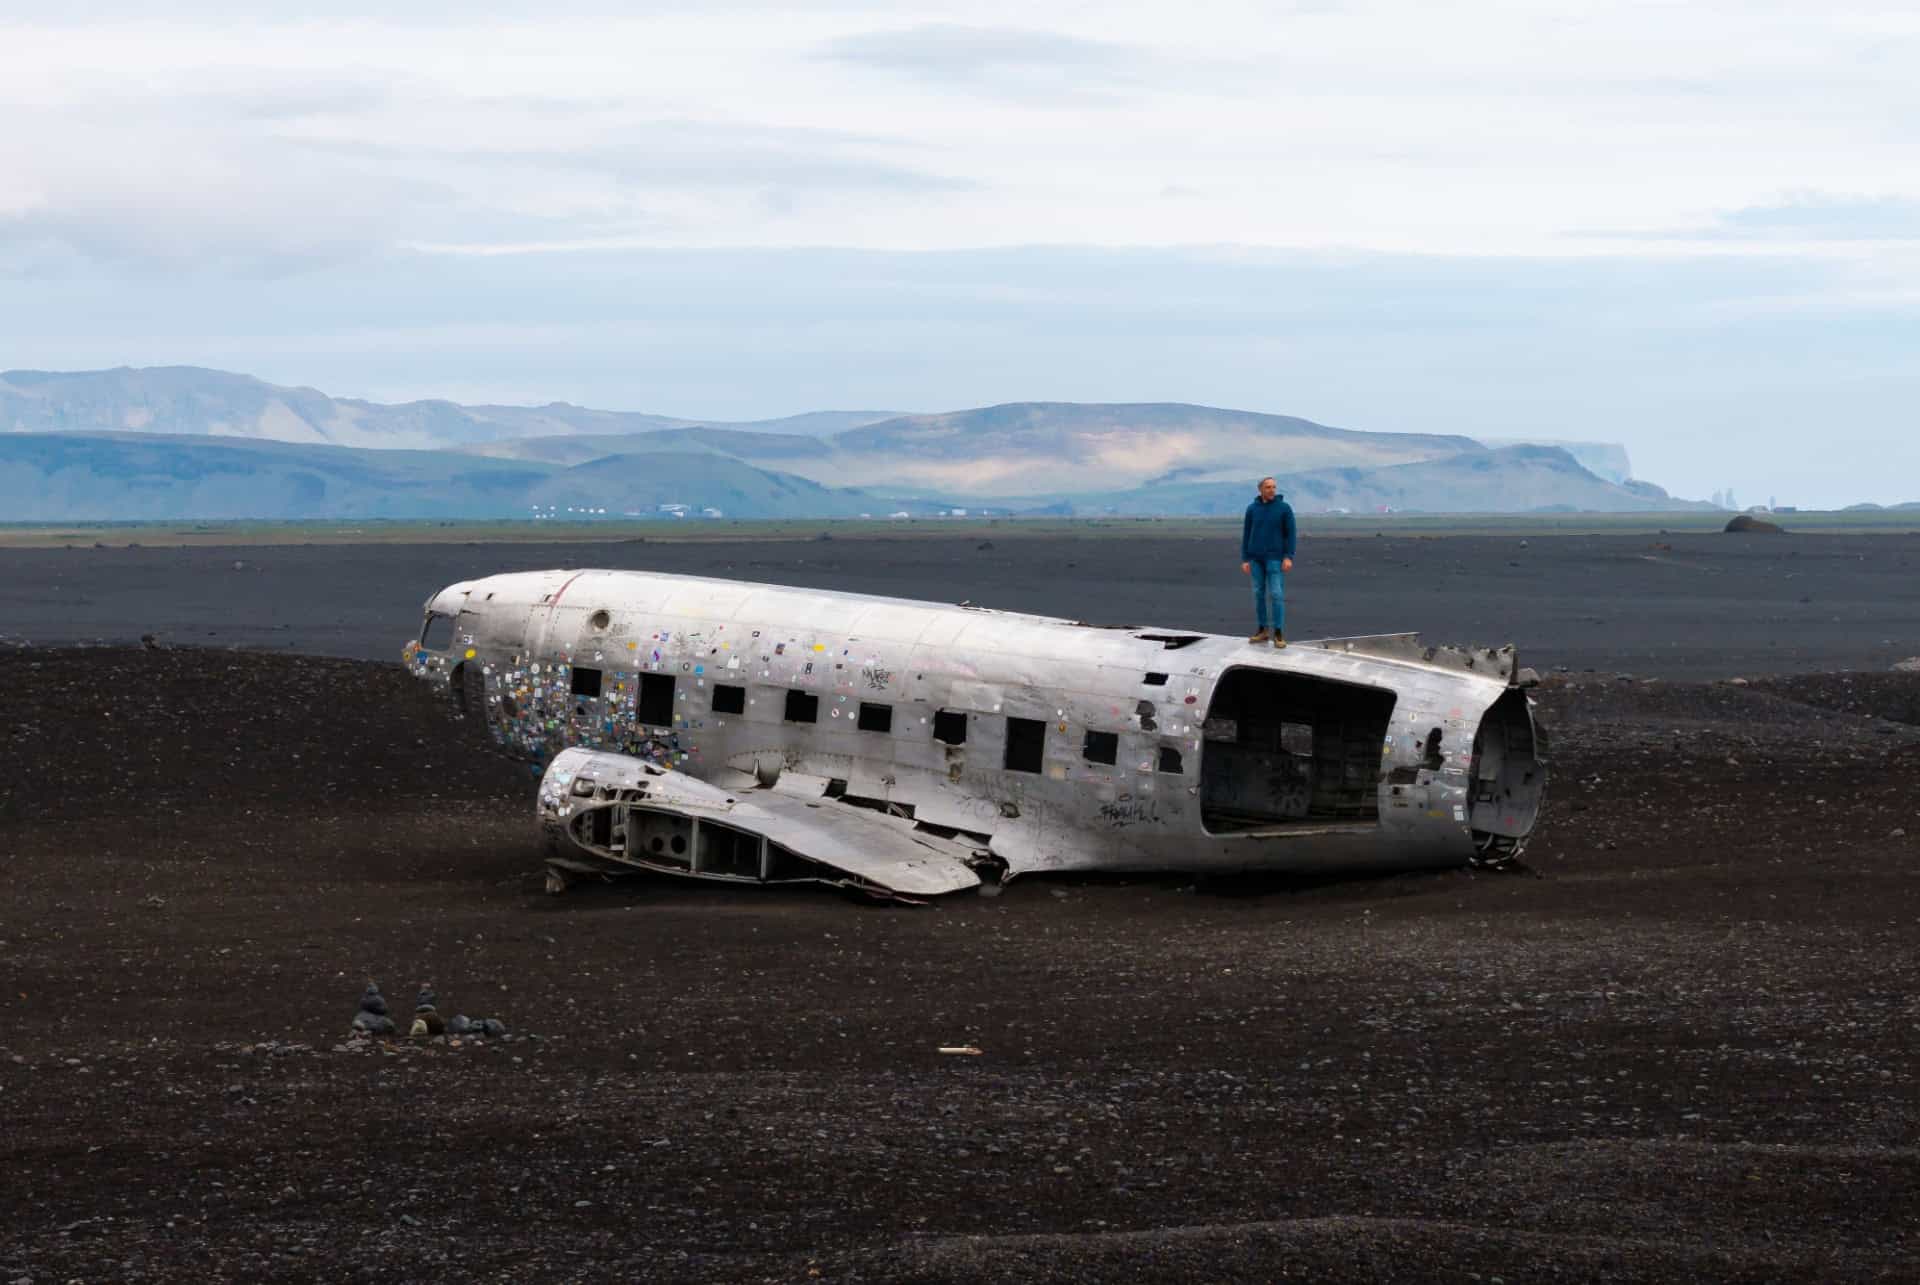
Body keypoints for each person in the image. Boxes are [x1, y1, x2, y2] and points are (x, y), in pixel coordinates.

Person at [1240, 476, 1296, 647]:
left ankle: (1278, 633)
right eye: (1268, 487)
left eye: (1274, 487)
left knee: (1277, 594)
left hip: (1275, 558)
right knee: (1258, 594)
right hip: (1256, 558)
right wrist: (1245, 558)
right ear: (1261, 490)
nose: (1272, 490)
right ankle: (1263, 630)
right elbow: (1247, 534)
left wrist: (1288, 556)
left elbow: (1291, 534)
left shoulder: (1284, 509)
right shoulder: (1252, 509)